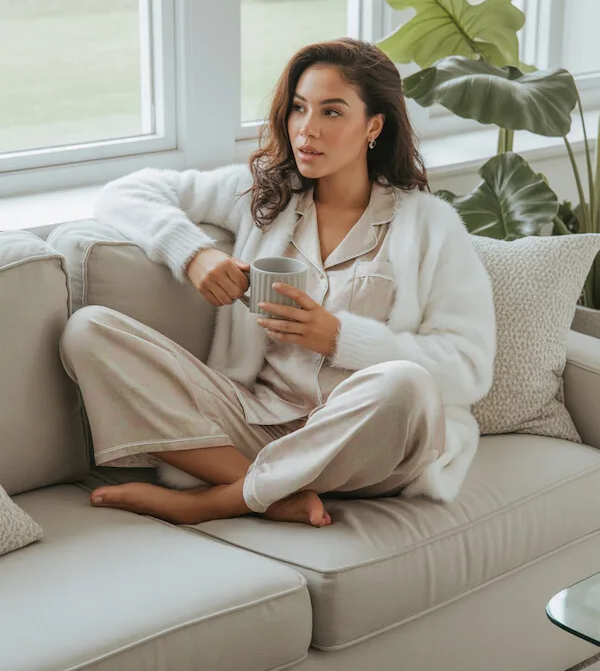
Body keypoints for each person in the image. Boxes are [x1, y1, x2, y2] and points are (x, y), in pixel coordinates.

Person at [58, 38, 496, 529]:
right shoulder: (265, 195)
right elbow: (126, 193)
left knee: (405, 384)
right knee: (88, 330)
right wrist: (194, 254)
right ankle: (269, 490)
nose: (306, 129)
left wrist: (338, 338)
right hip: (256, 419)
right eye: (299, 108)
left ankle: (217, 501)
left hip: (369, 436)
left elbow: (469, 368)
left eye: (332, 112)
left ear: (374, 125)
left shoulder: (430, 226)